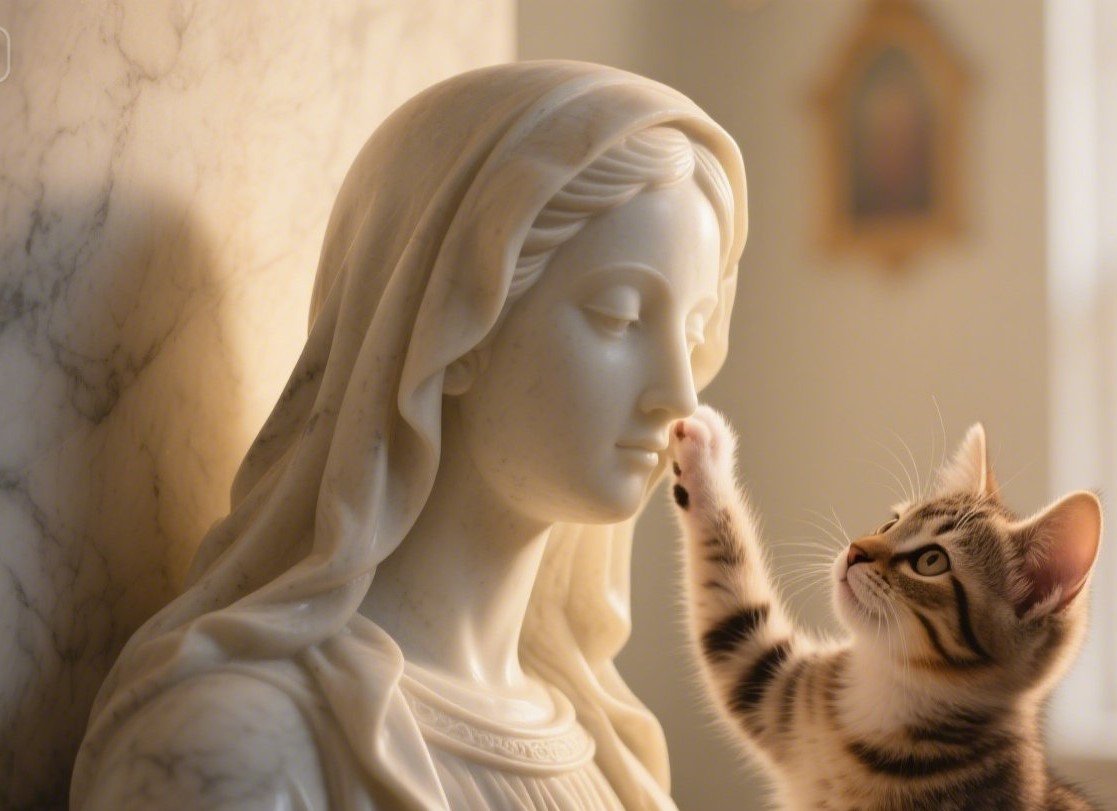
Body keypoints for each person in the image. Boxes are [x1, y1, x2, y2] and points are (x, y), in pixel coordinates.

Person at [70, 61, 747, 810]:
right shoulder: (237, 753)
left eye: (692, 336)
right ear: (449, 328)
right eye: (619, 315)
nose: (680, 396)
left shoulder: (617, 759)